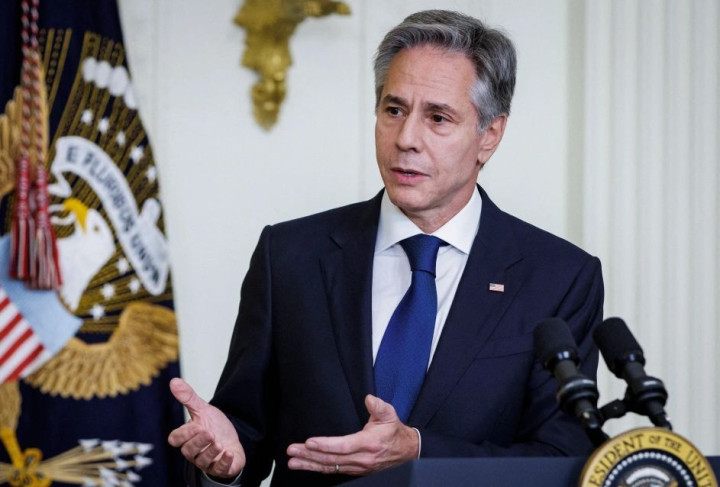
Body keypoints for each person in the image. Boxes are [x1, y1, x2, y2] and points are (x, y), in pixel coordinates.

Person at [168, 9, 604, 487]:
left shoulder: (559, 278)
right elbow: (244, 432)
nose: (406, 139)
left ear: (490, 135)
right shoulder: (290, 256)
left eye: (438, 118)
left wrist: (418, 451)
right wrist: (223, 466)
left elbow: (560, 458)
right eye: (394, 110)